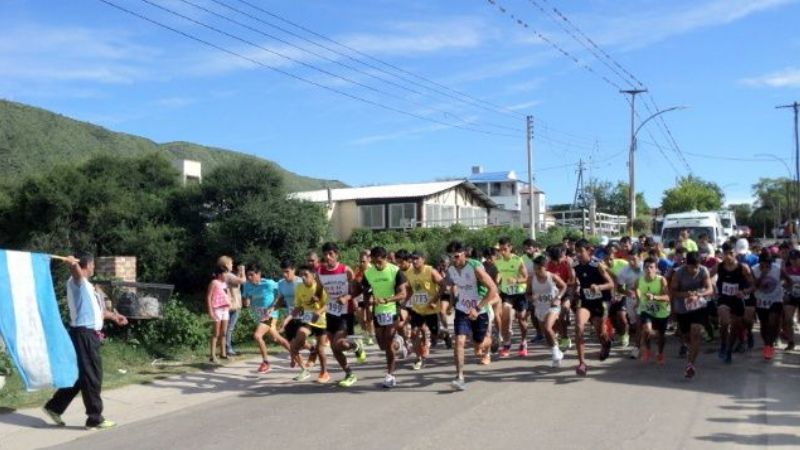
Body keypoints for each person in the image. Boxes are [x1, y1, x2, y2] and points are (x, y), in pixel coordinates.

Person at [43, 253, 128, 430]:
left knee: (82, 376)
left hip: (88, 334)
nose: (94, 267)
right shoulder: (77, 282)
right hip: (84, 334)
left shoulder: (89, 287)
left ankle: (54, 407)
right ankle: (94, 419)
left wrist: (114, 317)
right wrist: (72, 264)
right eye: (93, 264)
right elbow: (76, 274)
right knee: (92, 375)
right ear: (88, 264)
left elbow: (98, 313)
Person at [444, 240, 499, 391]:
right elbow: (449, 285)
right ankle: (459, 377)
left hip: (479, 310)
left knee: (478, 345)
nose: (453, 260)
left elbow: (493, 289)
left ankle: (492, 340)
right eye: (450, 257)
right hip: (462, 309)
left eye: (456, 256)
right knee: (459, 341)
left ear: (464, 254)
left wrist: (478, 307)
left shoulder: (475, 268)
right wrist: (450, 303)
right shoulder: (451, 270)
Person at [317, 242, 366, 387]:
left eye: (331, 254)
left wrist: (347, 297)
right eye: (325, 254)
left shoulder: (346, 270)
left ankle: (356, 346)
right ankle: (349, 374)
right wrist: (315, 297)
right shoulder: (320, 272)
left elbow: (357, 290)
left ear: (336, 254)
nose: (328, 257)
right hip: (331, 311)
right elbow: (319, 290)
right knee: (334, 348)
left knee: (339, 344)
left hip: (345, 312)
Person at [362, 246, 408, 388]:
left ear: (386, 258)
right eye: (374, 262)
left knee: (388, 343)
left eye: (380, 262)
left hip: (392, 309)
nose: (377, 264)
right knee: (382, 345)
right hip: (378, 311)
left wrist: (388, 300)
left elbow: (403, 294)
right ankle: (399, 342)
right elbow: (366, 294)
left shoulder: (395, 271)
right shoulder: (368, 273)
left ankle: (390, 375)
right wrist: (368, 310)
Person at [572, 239, 615, 376]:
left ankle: (606, 343)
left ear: (589, 251)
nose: (578, 254)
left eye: (581, 251)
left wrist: (598, 287)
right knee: (579, 327)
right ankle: (582, 363)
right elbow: (577, 281)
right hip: (585, 301)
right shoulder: (575, 265)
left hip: (600, 302)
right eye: (576, 251)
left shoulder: (597, 265)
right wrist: (575, 290)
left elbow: (611, 284)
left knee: (600, 333)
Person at [670, 251, 713, 379]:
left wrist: (698, 294)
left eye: (697, 266)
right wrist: (686, 295)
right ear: (686, 264)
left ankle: (690, 364)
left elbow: (710, 289)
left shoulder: (703, 270)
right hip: (682, 308)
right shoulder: (679, 273)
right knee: (687, 336)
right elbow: (673, 291)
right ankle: (690, 349)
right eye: (692, 267)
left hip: (698, 306)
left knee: (695, 332)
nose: (695, 270)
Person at [243, 264, 289, 374]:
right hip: (259, 316)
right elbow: (246, 301)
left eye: (251, 275)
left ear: (258, 274)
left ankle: (265, 362)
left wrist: (274, 305)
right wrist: (247, 300)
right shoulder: (246, 285)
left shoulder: (269, 283)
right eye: (248, 275)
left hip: (270, 315)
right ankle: (295, 352)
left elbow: (281, 294)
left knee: (257, 336)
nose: (249, 277)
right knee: (277, 339)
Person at [715, 242, 754, 364]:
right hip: (724, 298)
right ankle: (723, 344)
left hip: (737, 299)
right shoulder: (719, 266)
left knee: (736, 326)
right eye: (726, 253)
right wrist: (712, 288)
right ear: (722, 254)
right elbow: (706, 277)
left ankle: (729, 350)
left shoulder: (743, 268)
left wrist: (744, 291)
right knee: (725, 322)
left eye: (731, 253)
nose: (729, 256)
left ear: (735, 253)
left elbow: (753, 285)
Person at [290, 266, 330, 383]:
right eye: (301, 275)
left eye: (306, 275)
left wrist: (319, 312)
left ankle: (324, 372)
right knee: (294, 346)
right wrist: (288, 319)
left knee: (320, 349)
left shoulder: (320, 287)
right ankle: (304, 370)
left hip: (321, 321)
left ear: (314, 276)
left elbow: (328, 304)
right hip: (307, 320)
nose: (303, 277)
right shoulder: (299, 287)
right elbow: (298, 306)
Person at [405, 250, 444, 370]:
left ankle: (443, 334)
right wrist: (404, 303)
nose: (414, 261)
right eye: (413, 259)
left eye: (417, 258)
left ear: (423, 259)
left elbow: (443, 285)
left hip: (431, 309)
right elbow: (410, 289)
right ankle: (419, 358)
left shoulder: (430, 271)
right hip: (417, 309)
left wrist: (434, 300)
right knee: (415, 333)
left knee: (435, 335)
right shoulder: (409, 273)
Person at [527, 255, 567, 367]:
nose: (536, 271)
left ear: (545, 267)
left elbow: (564, 286)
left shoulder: (552, 277)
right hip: (539, 307)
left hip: (552, 306)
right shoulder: (531, 279)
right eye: (535, 268)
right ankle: (557, 353)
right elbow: (527, 293)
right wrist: (531, 298)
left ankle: (556, 353)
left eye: (539, 268)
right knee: (546, 333)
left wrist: (558, 297)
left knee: (547, 327)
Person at [751, 249, 790, 360]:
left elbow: (788, 280)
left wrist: (786, 291)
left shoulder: (777, 269)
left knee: (773, 321)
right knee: (764, 324)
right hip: (761, 301)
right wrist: (762, 275)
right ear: (759, 263)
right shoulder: (754, 270)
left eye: (768, 264)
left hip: (776, 299)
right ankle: (767, 344)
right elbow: (754, 286)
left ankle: (770, 345)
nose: (766, 266)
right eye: (763, 264)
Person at [496, 237, 529, 357]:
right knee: (505, 316)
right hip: (506, 293)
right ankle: (507, 344)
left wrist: (516, 280)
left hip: (519, 293)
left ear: (510, 248)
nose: (502, 252)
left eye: (505, 249)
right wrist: (497, 281)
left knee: (521, 319)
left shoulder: (517, 260)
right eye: (500, 249)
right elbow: (498, 273)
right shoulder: (498, 260)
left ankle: (524, 342)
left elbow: (526, 277)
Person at [635, 257, 670, 364]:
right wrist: (638, 301)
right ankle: (648, 350)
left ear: (656, 269)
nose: (649, 269)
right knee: (647, 330)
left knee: (661, 337)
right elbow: (636, 290)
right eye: (646, 267)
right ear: (643, 269)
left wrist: (654, 297)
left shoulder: (661, 280)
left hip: (661, 312)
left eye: (651, 267)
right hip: (646, 310)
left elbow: (667, 297)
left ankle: (660, 353)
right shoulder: (639, 280)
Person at [217, 256, 245, 357]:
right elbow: (242, 281)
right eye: (231, 263)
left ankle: (225, 348)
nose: (232, 265)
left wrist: (239, 273)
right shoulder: (228, 275)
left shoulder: (223, 275)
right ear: (226, 264)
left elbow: (235, 282)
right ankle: (228, 348)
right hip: (233, 305)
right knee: (229, 328)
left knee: (226, 328)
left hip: (228, 304)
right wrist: (243, 271)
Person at [206, 266, 230, 362]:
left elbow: (227, 294)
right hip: (217, 309)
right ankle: (212, 355)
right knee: (216, 333)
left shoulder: (225, 283)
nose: (226, 275)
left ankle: (223, 353)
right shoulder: (214, 282)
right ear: (220, 274)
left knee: (224, 332)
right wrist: (210, 311)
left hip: (225, 309)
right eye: (225, 273)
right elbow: (208, 297)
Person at [353, 250, 375, 346]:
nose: (362, 263)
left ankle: (370, 336)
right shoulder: (357, 270)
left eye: (363, 261)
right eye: (360, 261)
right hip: (360, 297)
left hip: (370, 297)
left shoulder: (373, 270)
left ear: (369, 260)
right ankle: (366, 334)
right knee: (362, 319)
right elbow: (354, 284)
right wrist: (353, 299)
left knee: (369, 318)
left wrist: (373, 297)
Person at [783, 249, 800, 351]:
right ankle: (791, 342)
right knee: (788, 319)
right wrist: (786, 285)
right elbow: (782, 284)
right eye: (792, 259)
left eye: (796, 259)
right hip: (790, 296)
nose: (793, 261)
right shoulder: (786, 270)